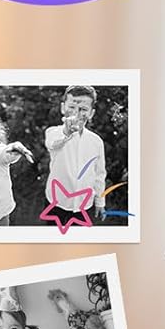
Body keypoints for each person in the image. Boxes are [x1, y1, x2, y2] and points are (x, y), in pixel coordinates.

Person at [44, 84, 107, 225]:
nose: (76, 113)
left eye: (83, 109)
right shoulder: (53, 132)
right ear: (63, 108)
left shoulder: (96, 141)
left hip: (85, 205)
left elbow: (99, 173)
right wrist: (67, 134)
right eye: (71, 107)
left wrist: (100, 201)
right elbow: (53, 143)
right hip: (56, 202)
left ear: (91, 113)